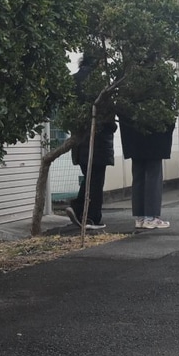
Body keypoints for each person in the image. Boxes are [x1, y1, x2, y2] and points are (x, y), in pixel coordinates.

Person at [66, 62, 115, 230]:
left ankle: (79, 210)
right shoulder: (100, 84)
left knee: (89, 177)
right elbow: (108, 114)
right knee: (95, 181)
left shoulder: (72, 81)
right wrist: (111, 126)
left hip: (79, 141)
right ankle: (90, 217)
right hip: (98, 139)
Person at [120, 112, 175, 230]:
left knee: (138, 177)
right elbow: (169, 112)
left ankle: (140, 218)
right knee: (154, 177)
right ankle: (150, 218)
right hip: (155, 137)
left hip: (134, 138)